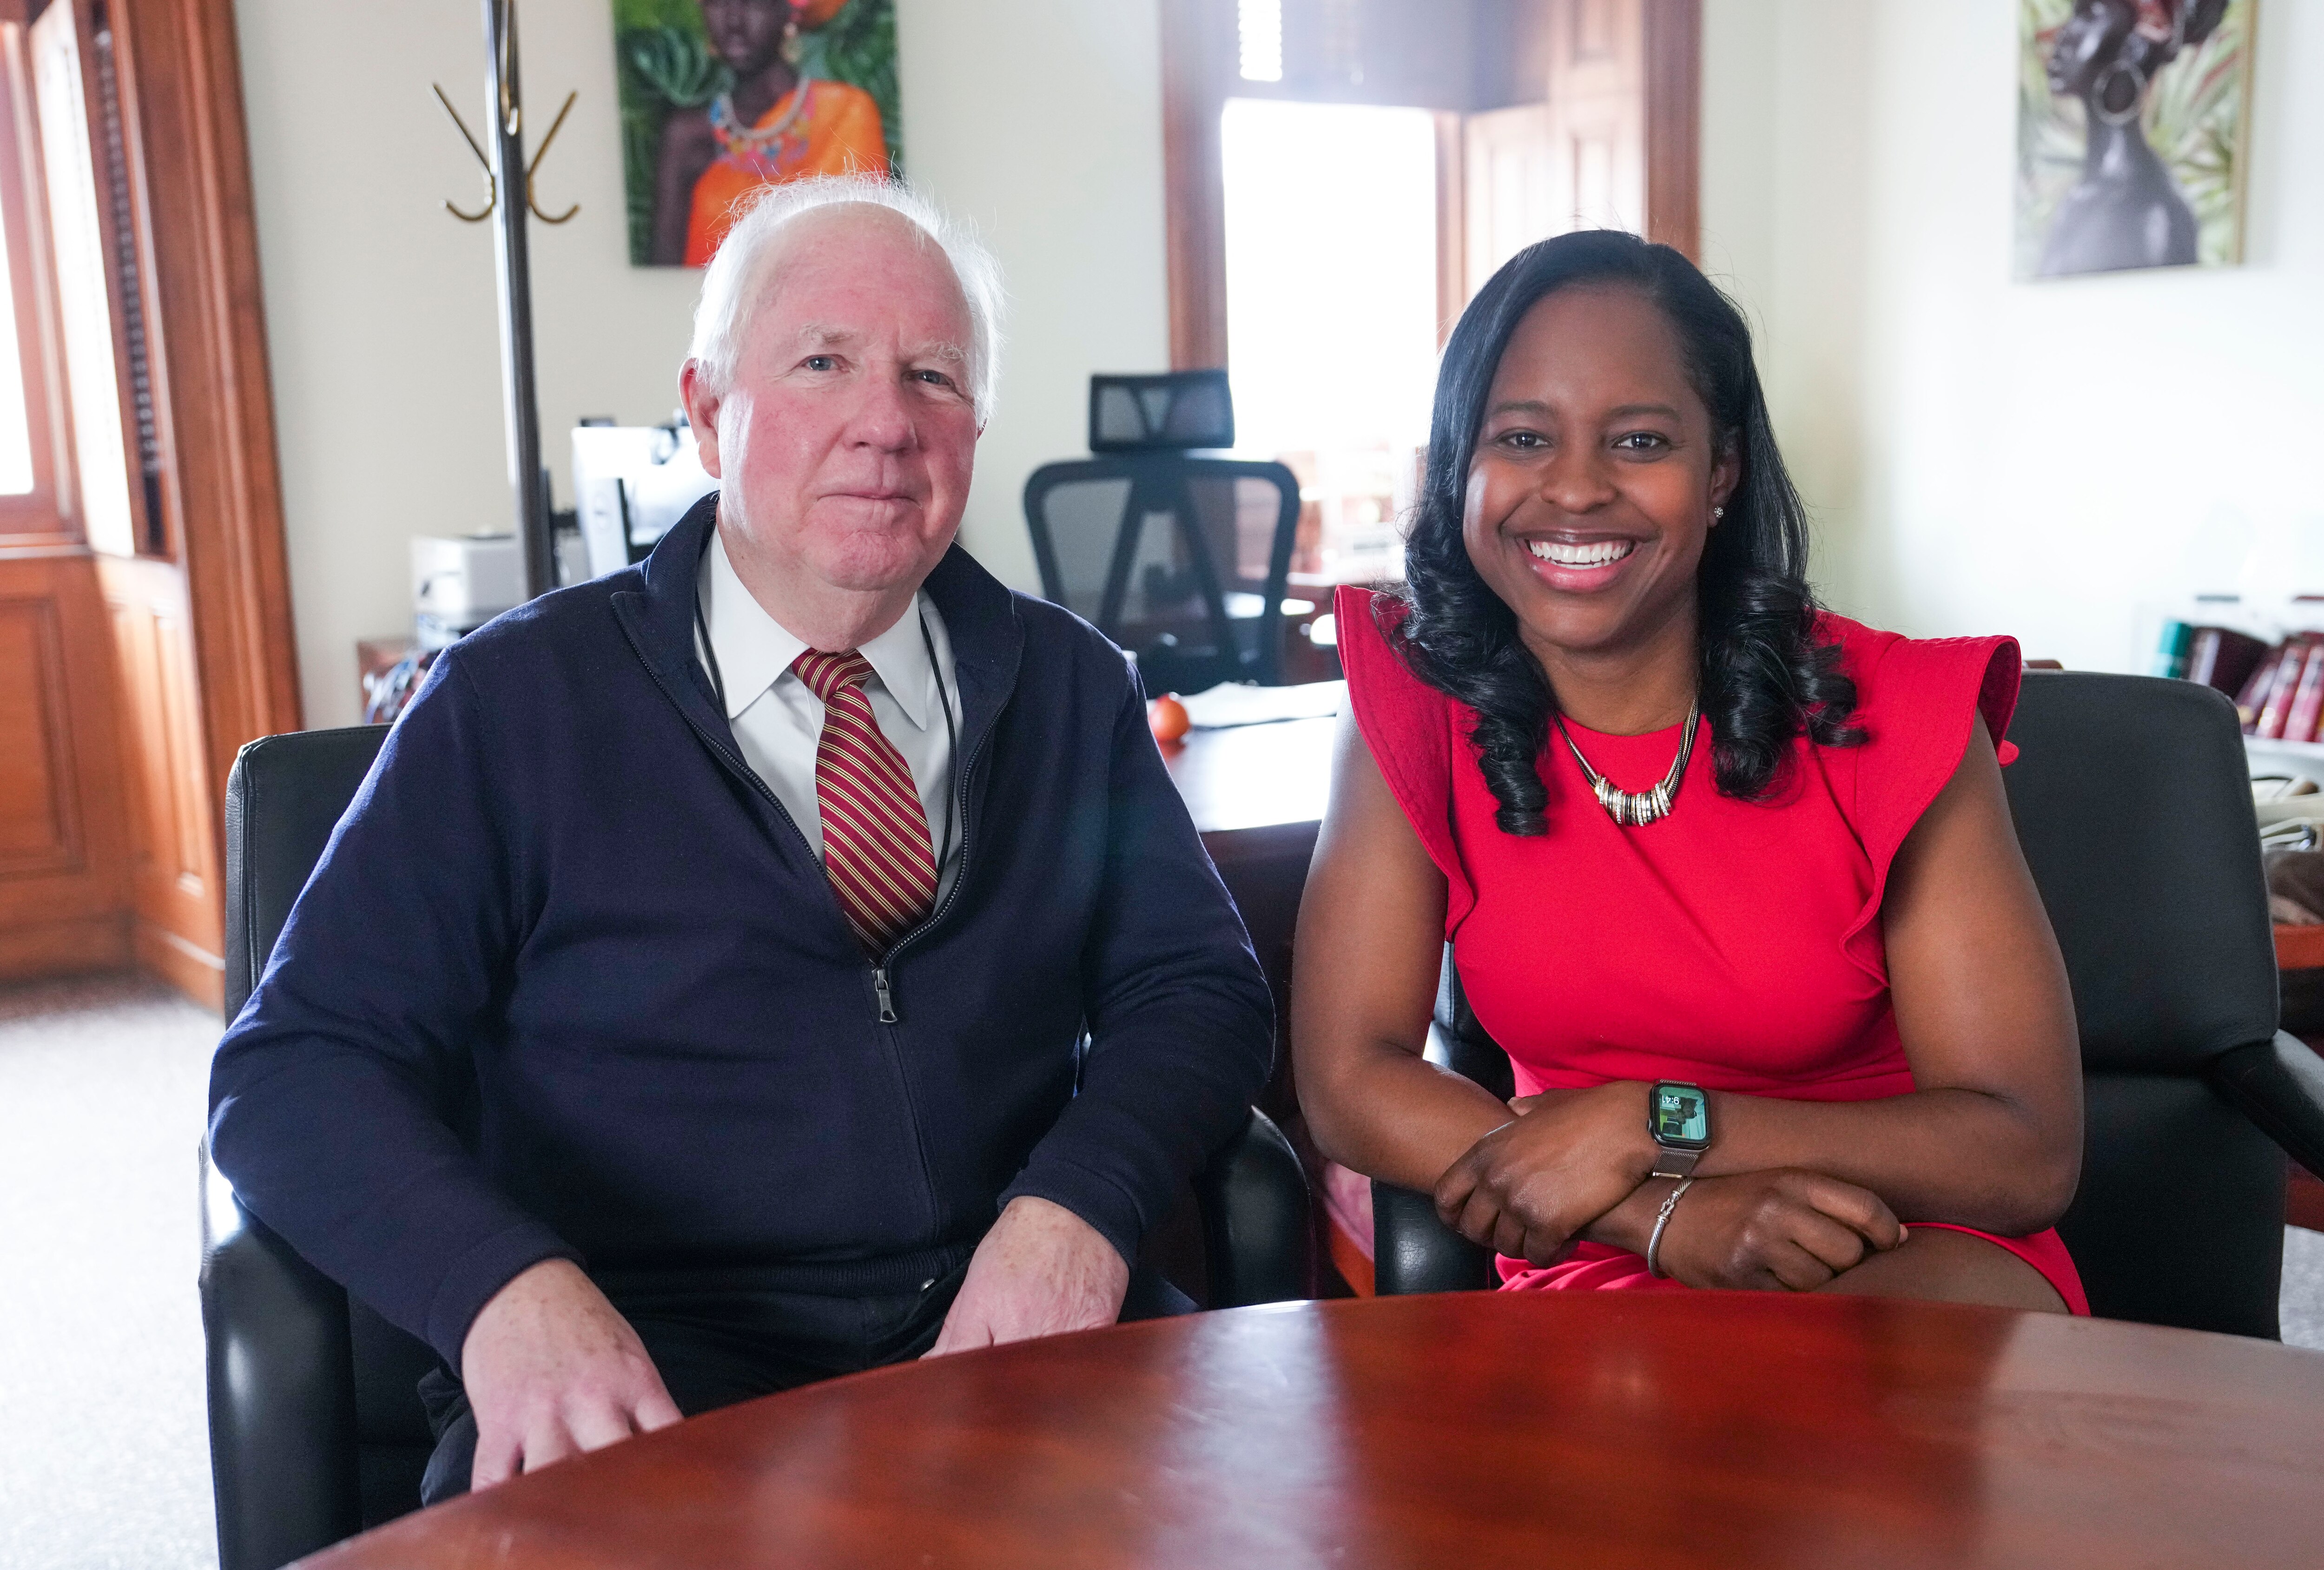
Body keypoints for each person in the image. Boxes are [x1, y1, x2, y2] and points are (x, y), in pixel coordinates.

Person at [208, 175, 1273, 1504]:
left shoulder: (1068, 686)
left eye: (933, 377)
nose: (887, 425)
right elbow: (294, 1069)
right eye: (823, 363)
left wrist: (1078, 1205)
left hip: (1008, 1324)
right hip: (654, 1358)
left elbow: (1198, 988)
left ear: (978, 426)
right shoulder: (513, 705)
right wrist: (501, 1293)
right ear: (707, 413)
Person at [1294, 229, 2088, 1313]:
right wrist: (1661, 1212)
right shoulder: (1414, 702)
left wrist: (1656, 1122)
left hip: (1890, 1242)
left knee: (1826, 1430)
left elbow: (2026, 1147)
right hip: (1592, 1241)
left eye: (1637, 442)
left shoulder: (1896, 719)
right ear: (1457, 465)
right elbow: (1350, 1077)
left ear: (1719, 472)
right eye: (1521, 436)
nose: (1572, 490)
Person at [650, 0, 889, 267]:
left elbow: (864, 256)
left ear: (791, 12)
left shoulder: (846, 113)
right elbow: (665, 276)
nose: (734, 22)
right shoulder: (688, 134)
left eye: (754, 4)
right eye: (718, 2)